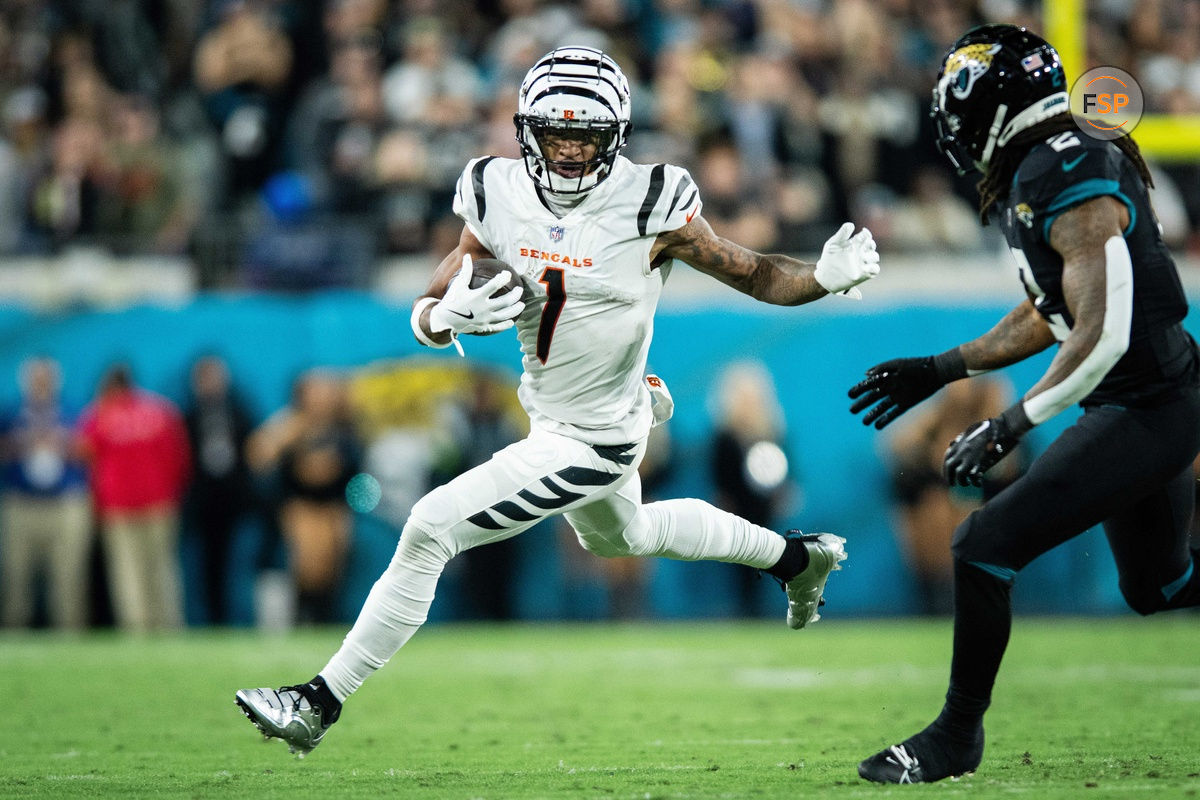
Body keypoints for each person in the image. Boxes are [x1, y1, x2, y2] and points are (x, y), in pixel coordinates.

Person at [235, 45, 878, 757]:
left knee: (430, 525)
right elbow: (429, 300)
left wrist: (821, 276)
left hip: (595, 438)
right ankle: (795, 560)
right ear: (525, 132)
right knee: (622, 536)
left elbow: (754, 272)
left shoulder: (651, 200)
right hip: (559, 415)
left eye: (588, 136)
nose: (571, 151)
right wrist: (443, 319)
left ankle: (317, 702)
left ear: (618, 137)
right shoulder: (494, 191)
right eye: (557, 133)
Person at [850, 25, 1200, 784]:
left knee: (983, 544)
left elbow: (1100, 334)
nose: (952, 129)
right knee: (1160, 586)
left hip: (1149, 403)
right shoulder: (1044, 162)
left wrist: (1012, 420)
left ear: (991, 104)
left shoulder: (1065, 165)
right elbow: (1055, 311)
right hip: (1143, 398)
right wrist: (942, 367)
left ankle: (955, 737)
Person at [78, 364, 191, 632]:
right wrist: (171, 495)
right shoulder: (161, 410)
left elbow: (85, 458)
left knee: (128, 572)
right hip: (159, 502)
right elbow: (180, 459)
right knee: (162, 569)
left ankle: (136, 628)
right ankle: (169, 626)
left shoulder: (100, 414)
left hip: (118, 505)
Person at [246, 369, 361, 625]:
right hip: (296, 509)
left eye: (328, 391)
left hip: (332, 509)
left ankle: (324, 619)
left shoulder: (343, 428)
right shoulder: (289, 424)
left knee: (329, 572)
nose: (323, 397)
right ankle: (290, 621)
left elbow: (354, 470)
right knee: (295, 567)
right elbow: (257, 456)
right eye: (316, 391)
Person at [0, 357, 91, 629]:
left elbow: (90, 450)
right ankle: (13, 637)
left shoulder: (74, 411)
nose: (41, 382)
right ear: (25, 381)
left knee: (68, 577)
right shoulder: (11, 413)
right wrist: (23, 442)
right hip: (22, 503)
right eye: (36, 377)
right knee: (16, 576)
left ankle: (70, 635)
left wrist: (61, 441)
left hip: (65, 503)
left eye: (46, 377)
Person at [182, 354, 253, 626]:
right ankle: (209, 621)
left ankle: (232, 621)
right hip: (202, 504)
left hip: (234, 503)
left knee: (234, 568)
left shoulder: (240, 412)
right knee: (205, 568)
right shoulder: (188, 416)